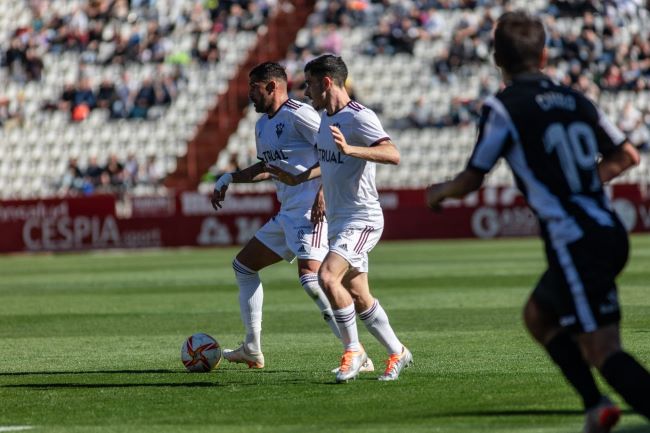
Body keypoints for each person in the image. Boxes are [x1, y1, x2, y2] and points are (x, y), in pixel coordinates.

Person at [425, 11, 649, 432]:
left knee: (604, 349)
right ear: (544, 54)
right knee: (538, 316)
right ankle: (596, 406)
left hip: (575, 240)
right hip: (606, 229)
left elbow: (474, 176)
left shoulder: (502, 106)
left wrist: (440, 192)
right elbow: (627, 156)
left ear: (497, 59)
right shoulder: (577, 99)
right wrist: (581, 182)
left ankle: (603, 403)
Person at [210, 62, 374, 373]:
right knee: (243, 266)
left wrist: (324, 190)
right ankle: (252, 348)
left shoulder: (300, 114)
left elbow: (333, 152)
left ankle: (355, 351)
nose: (250, 95)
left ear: (272, 87)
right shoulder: (262, 126)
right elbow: (267, 167)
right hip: (288, 213)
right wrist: (229, 177)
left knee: (312, 279)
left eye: (254, 89)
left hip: (312, 210)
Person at [301, 54, 412, 382]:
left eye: (309, 84)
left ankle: (354, 351)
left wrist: (352, 150)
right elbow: (332, 162)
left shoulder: (359, 117)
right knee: (359, 293)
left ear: (326, 82)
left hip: (362, 217)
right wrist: (321, 190)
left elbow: (392, 154)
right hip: (338, 219)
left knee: (327, 277)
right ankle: (397, 351)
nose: (306, 92)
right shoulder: (325, 119)